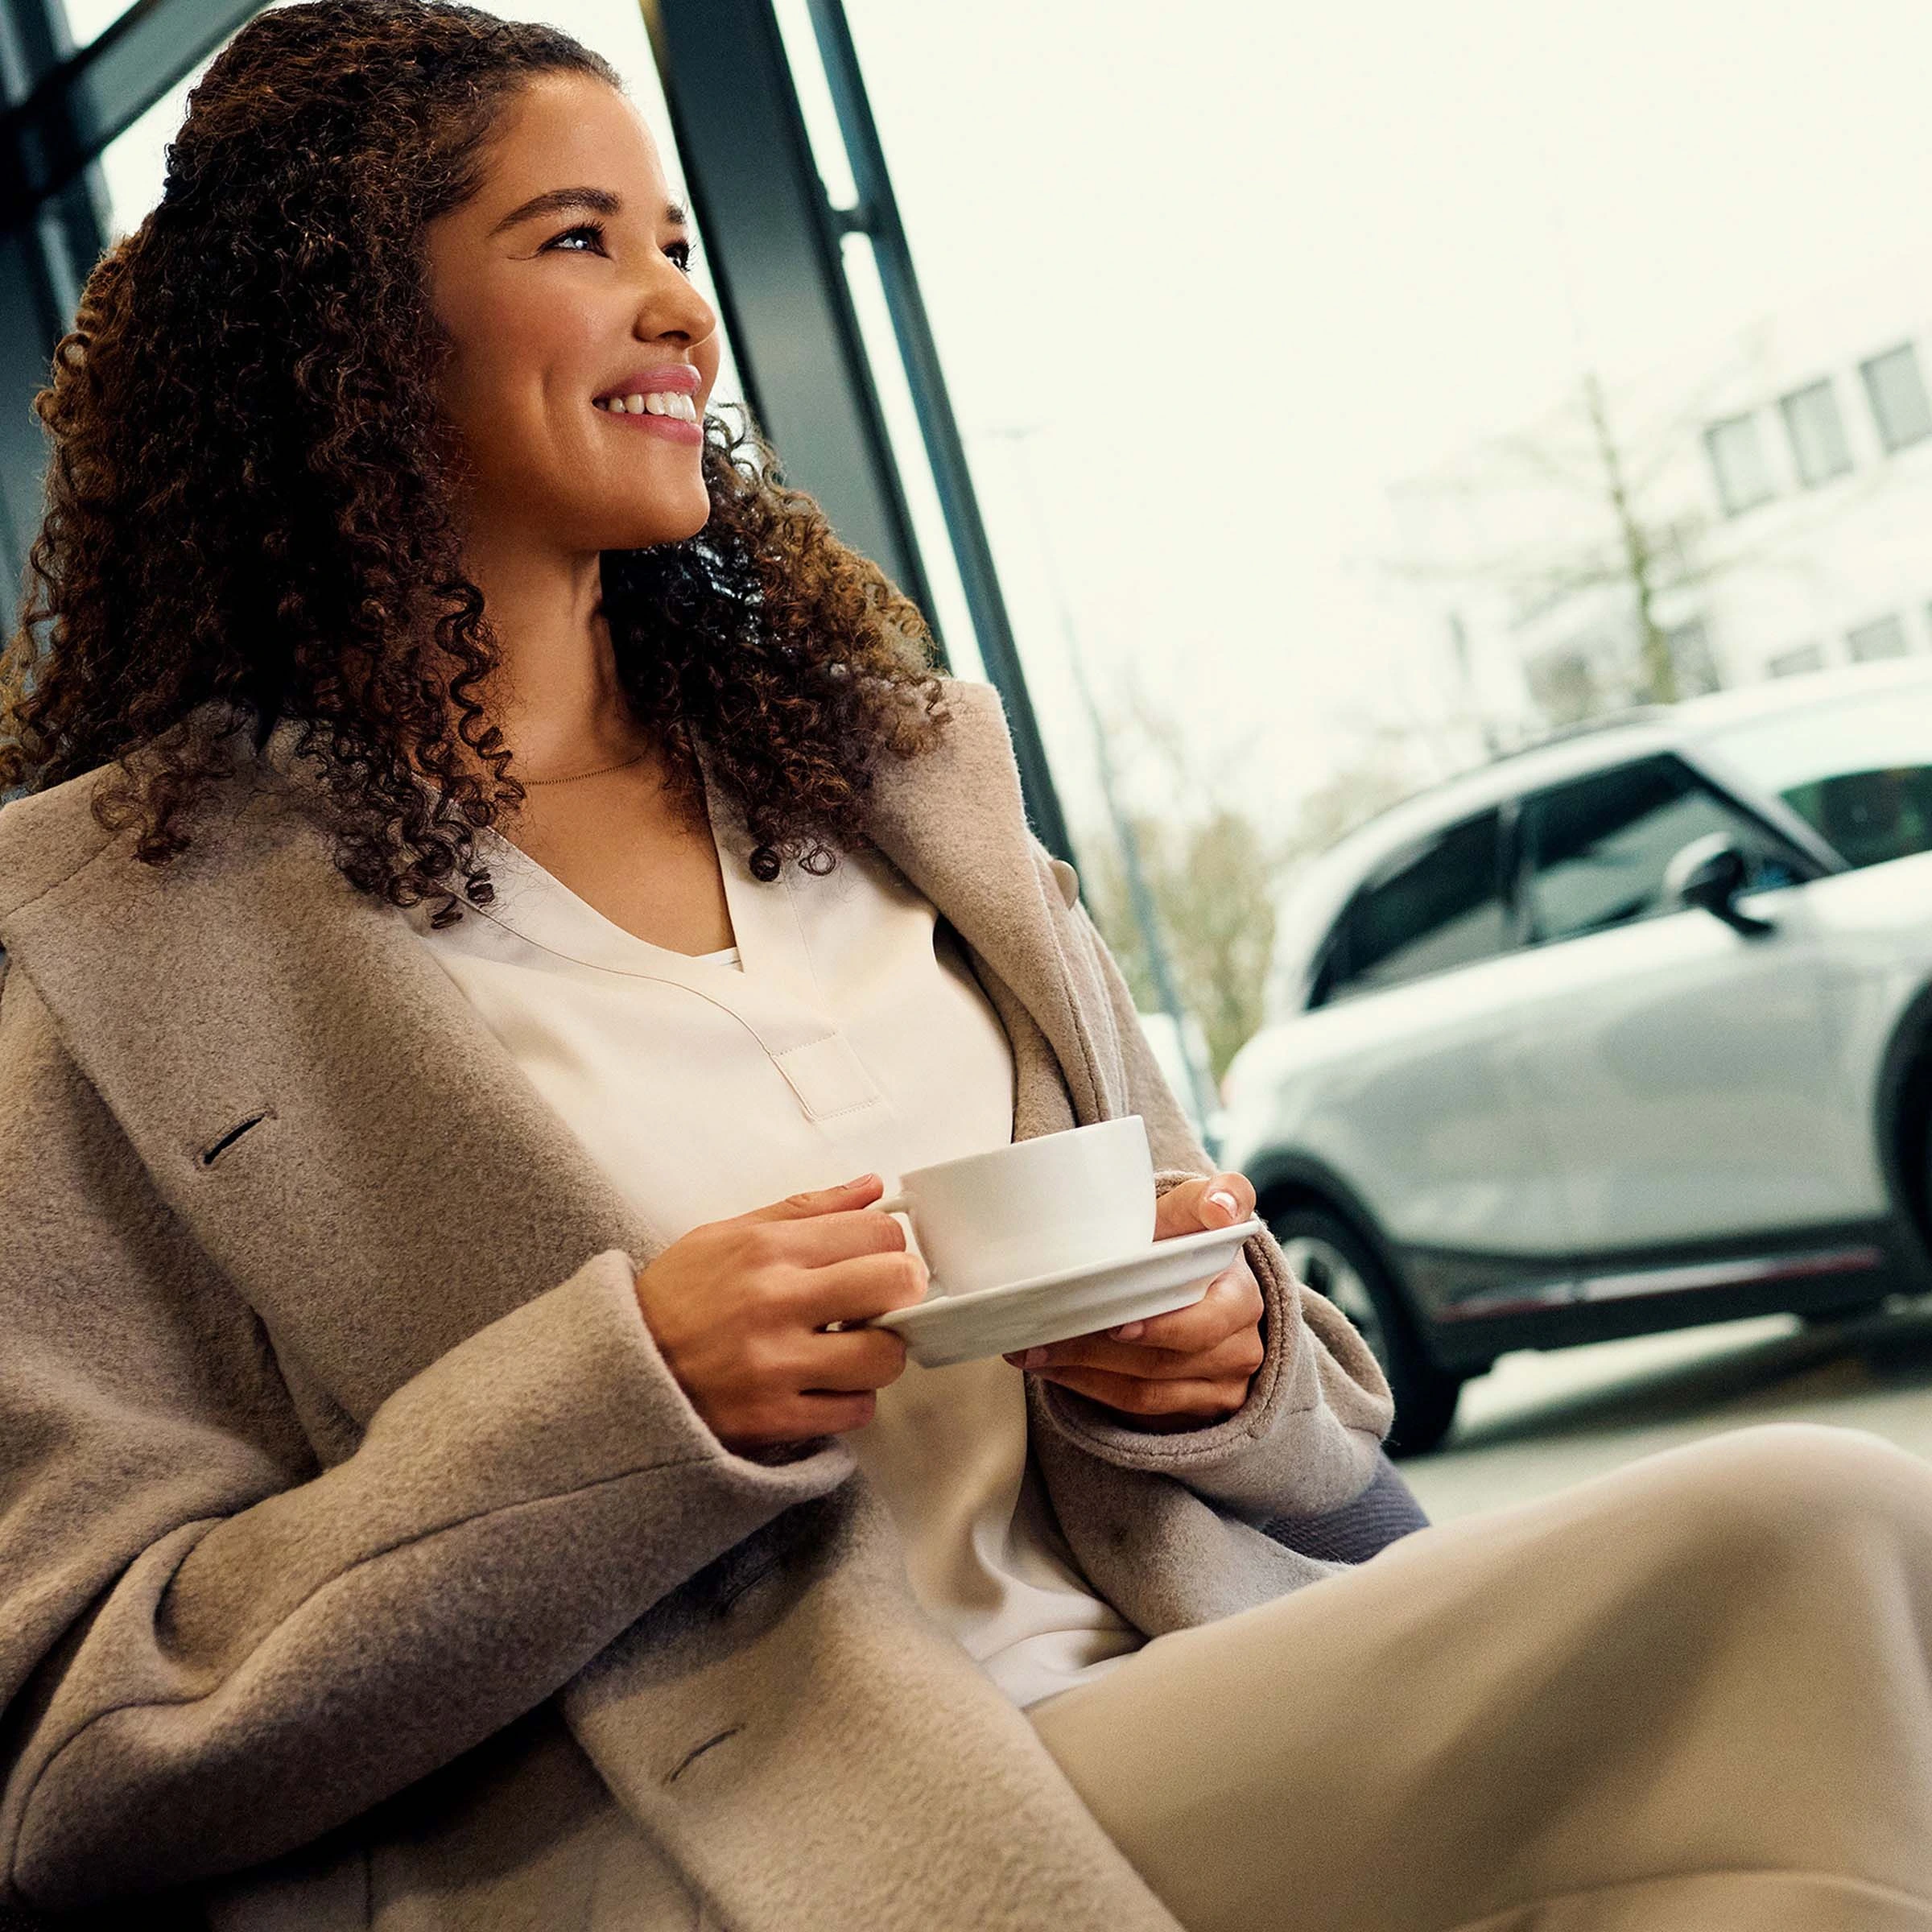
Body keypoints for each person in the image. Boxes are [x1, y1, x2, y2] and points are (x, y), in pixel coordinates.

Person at [0, 5, 1928, 1929]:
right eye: (577, 240)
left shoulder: (897, 786)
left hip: (1199, 1682)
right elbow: (84, 1744)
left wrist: (1221, 1364)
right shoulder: (124, 942)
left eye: (677, 242)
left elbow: (1325, 1410)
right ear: (337, 328)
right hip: (743, 1838)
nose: (680, 306)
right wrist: (624, 1410)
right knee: (1818, 1537)